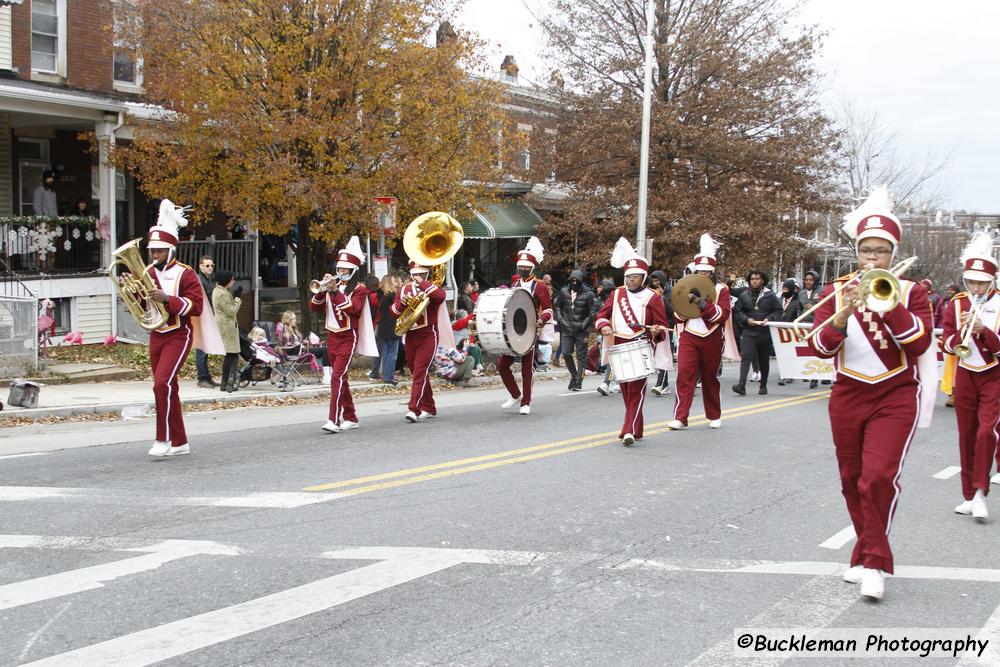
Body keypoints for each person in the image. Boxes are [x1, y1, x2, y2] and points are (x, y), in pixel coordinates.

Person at [806, 187, 934, 601]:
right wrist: (843, 313)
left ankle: (875, 561)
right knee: (851, 479)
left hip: (895, 395)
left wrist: (889, 306)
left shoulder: (912, 292)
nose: (873, 260)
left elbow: (917, 344)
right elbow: (818, 349)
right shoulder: (835, 292)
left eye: (881, 252)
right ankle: (865, 549)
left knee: (878, 477)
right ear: (857, 253)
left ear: (893, 255)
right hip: (848, 393)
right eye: (866, 252)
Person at [143, 200, 224, 457]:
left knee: (161, 384)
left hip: (180, 333)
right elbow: (142, 302)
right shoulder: (147, 272)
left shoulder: (186, 273)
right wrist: (132, 291)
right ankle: (180, 441)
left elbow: (196, 307)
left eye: (158, 251)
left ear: (169, 250)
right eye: (152, 251)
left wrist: (166, 298)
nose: (153, 255)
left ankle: (163, 438)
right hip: (157, 332)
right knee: (169, 387)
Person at [941, 232, 1000, 521]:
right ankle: (968, 495)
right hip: (965, 374)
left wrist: (982, 331)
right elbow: (947, 342)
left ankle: (980, 493)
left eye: (982, 282)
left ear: (992, 281)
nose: (976, 287)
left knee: (985, 432)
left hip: (993, 375)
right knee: (966, 436)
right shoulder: (956, 304)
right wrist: (960, 336)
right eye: (972, 282)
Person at [594, 238, 669, 446]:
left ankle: (627, 430)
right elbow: (601, 315)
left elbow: (662, 327)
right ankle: (637, 427)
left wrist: (656, 331)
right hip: (618, 343)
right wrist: (604, 326)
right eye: (629, 276)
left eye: (636, 276)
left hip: (642, 344)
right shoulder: (617, 294)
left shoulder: (653, 298)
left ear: (643, 277)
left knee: (637, 389)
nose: (631, 280)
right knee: (626, 389)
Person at [309, 236, 377, 433]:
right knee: (342, 378)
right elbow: (314, 307)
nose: (340, 272)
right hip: (332, 336)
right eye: (339, 269)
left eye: (344, 270)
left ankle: (334, 420)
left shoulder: (360, 290)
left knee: (336, 377)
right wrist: (322, 292)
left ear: (353, 270)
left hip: (348, 337)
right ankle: (351, 416)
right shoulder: (333, 288)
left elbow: (352, 309)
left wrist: (334, 292)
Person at [668, 234, 731, 430]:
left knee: (709, 377)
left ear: (712, 272)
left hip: (711, 337)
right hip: (689, 336)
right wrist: (686, 305)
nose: (703, 274)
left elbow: (721, 316)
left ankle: (714, 414)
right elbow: (678, 317)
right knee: (684, 374)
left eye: (707, 272)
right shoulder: (686, 286)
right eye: (700, 271)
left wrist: (703, 304)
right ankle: (681, 417)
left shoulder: (722, 290)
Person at [391, 260, 454, 422]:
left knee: (420, 371)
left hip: (428, 335)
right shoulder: (404, 289)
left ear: (426, 274)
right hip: (411, 335)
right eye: (415, 274)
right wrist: (401, 304)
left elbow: (441, 297)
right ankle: (429, 406)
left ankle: (414, 409)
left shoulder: (431, 288)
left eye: (421, 273)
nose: (417, 276)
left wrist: (423, 284)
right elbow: (392, 311)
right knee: (417, 371)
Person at [497, 237, 554, 415]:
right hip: (513, 330)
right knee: (501, 364)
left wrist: (541, 321)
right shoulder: (515, 284)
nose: (521, 269)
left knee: (526, 368)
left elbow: (548, 310)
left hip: (530, 330)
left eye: (525, 267)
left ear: (531, 268)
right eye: (520, 266)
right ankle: (515, 394)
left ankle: (526, 402)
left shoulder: (540, 286)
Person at [731, 270, 782, 395]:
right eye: (752, 279)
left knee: (763, 359)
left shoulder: (770, 295)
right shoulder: (744, 295)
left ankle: (763, 385)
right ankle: (741, 385)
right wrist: (746, 319)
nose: (754, 281)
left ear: (762, 280)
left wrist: (769, 319)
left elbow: (778, 311)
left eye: (757, 279)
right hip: (749, 331)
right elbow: (737, 311)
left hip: (764, 332)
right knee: (746, 356)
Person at [556, 269, 596, 391]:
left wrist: (583, 325)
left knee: (581, 357)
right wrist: (562, 320)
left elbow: (593, 312)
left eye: (576, 280)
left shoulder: (589, 294)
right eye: (572, 280)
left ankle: (578, 381)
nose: (574, 282)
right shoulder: (564, 292)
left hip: (581, 331)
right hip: (567, 329)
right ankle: (574, 375)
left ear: (581, 281)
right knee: (566, 353)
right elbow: (558, 307)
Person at [276, 310, 332, 384]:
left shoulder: (294, 329)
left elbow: (297, 341)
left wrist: (304, 342)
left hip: (301, 350)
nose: (295, 320)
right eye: (293, 319)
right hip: (294, 352)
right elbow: (287, 343)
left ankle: (329, 375)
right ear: (288, 320)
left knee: (327, 350)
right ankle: (327, 376)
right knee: (325, 350)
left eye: (295, 318)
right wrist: (300, 346)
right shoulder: (285, 328)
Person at [212, 269, 243, 393]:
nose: (233, 281)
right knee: (234, 355)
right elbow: (231, 311)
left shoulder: (218, 290)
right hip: (227, 327)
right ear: (226, 281)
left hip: (223, 325)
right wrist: (237, 299)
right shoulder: (223, 294)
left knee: (229, 355)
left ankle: (224, 383)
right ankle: (230, 382)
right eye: (232, 279)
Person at [649, 269, 675, 396]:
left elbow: (672, 311)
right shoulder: (650, 293)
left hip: (666, 328)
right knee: (657, 355)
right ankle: (664, 385)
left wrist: (662, 297)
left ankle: (660, 383)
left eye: (657, 281)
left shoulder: (669, 292)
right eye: (653, 281)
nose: (655, 283)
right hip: (653, 327)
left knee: (663, 355)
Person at [195, 255, 218, 387]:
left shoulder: (207, 280)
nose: (210, 268)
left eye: (211, 266)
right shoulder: (200, 281)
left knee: (206, 348)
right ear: (201, 266)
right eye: (207, 266)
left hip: (207, 317)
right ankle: (202, 378)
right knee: (202, 349)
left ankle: (206, 377)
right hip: (202, 317)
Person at [375, 274, 402, 386]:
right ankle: (389, 376)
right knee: (392, 353)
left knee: (386, 352)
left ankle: (386, 375)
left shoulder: (382, 295)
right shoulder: (392, 295)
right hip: (392, 327)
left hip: (383, 327)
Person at [776, 278, 803, 386]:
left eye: (787, 289)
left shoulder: (797, 301)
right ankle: (783, 374)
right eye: (784, 288)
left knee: (791, 353)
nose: (785, 290)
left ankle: (791, 374)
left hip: (791, 330)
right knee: (781, 353)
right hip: (779, 329)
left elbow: (799, 315)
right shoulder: (779, 299)